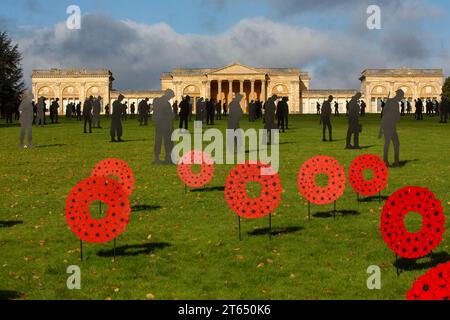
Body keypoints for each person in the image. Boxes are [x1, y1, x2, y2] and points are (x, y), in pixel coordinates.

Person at [379, 89, 403, 167]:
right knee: (395, 143)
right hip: (390, 125)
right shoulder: (395, 103)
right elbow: (395, 115)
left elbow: (383, 113)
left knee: (388, 143)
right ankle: (395, 162)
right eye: (401, 96)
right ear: (399, 95)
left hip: (388, 124)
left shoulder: (390, 101)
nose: (401, 98)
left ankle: (386, 161)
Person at [153, 89, 175, 164]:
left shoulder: (156, 101)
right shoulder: (167, 104)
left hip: (158, 124)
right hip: (166, 125)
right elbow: (170, 116)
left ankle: (156, 158)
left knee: (158, 140)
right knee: (168, 141)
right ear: (168, 95)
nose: (170, 98)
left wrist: (155, 121)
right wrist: (171, 126)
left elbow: (155, 112)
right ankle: (168, 158)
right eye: (171, 97)